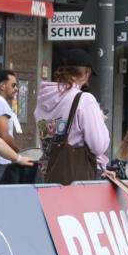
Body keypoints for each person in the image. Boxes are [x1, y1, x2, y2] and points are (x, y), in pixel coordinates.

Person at [34, 48, 110, 178]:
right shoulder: (84, 99)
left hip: (49, 172)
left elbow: (47, 132)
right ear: (85, 74)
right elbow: (98, 146)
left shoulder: (43, 98)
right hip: (76, 176)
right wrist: (99, 121)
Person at [0, 68, 20, 184]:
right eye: (13, 85)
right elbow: (4, 135)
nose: (16, 89)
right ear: (2, 86)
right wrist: (19, 152)